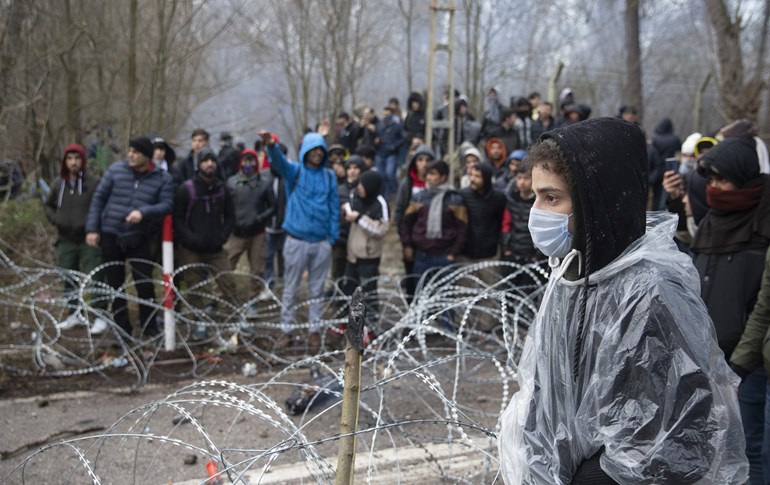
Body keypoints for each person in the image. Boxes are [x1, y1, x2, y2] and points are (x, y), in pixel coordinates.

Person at [499, 118, 748, 484]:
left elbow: (674, 440)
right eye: (535, 196)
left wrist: (586, 476)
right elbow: (551, 396)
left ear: (593, 202)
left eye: (551, 197)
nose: (537, 211)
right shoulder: (572, 277)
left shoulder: (650, 291)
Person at [690, 137, 770, 484]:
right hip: (709, 359)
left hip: (749, 367)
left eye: (722, 180)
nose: (714, 189)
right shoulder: (712, 222)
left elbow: (762, 304)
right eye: (710, 181)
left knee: (752, 451)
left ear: (744, 178)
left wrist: (740, 364)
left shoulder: (763, 224)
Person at [85, 137, 174, 338]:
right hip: (111, 234)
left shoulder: (162, 178)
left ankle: (150, 327)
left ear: (146, 156)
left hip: (139, 237)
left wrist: (144, 212)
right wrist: (92, 228)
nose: (131, 155)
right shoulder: (115, 171)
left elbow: (168, 204)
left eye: (136, 152)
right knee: (114, 285)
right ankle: (122, 329)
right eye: (130, 151)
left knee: (144, 283)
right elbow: (99, 198)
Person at [259, 129, 339, 351]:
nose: (317, 154)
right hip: (296, 240)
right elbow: (279, 162)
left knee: (316, 289)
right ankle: (286, 329)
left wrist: (331, 238)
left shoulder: (329, 177)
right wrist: (270, 145)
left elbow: (334, 208)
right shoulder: (295, 172)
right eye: (312, 150)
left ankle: (315, 330)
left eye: (320, 150)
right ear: (305, 151)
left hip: (321, 242)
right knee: (291, 288)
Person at [45, 143, 109, 334]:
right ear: (65, 161)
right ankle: (74, 314)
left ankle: (100, 315)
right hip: (65, 238)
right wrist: (55, 219)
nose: (73, 162)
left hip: (88, 238)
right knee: (67, 276)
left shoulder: (94, 183)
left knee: (95, 276)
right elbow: (48, 205)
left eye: (77, 158)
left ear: (83, 160)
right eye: (70, 159)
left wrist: (95, 229)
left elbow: (102, 207)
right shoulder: (59, 183)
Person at [224, 148, 276, 313]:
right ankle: (220, 297)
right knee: (226, 264)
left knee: (257, 268)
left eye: (252, 160)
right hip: (236, 233)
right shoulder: (231, 182)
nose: (249, 164)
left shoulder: (264, 183)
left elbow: (273, 206)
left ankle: (252, 299)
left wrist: (259, 218)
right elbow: (225, 207)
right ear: (241, 162)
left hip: (257, 234)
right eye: (246, 160)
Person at [399, 160, 467, 280]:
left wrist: (453, 253)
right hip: (422, 254)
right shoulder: (419, 197)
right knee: (421, 291)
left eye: (433, 174)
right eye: (428, 174)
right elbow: (406, 223)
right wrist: (407, 245)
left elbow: (462, 228)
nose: (429, 178)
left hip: (444, 254)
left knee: (444, 294)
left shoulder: (454, 199)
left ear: (443, 177)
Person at [344, 170, 389, 322]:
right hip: (352, 255)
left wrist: (360, 219)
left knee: (368, 294)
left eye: (363, 185)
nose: (360, 188)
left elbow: (380, 230)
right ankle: (352, 324)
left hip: (369, 257)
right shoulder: (355, 197)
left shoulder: (380, 203)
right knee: (350, 291)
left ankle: (371, 326)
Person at [374, 105, 404, 200]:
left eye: (387, 114)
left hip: (391, 153)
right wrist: (376, 141)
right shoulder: (379, 126)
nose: (385, 116)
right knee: (381, 176)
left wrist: (394, 146)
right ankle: (385, 196)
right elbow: (374, 138)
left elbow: (402, 139)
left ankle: (396, 193)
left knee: (390, 174)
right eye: (384, 114)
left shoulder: (397, 126)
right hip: (380, 153)